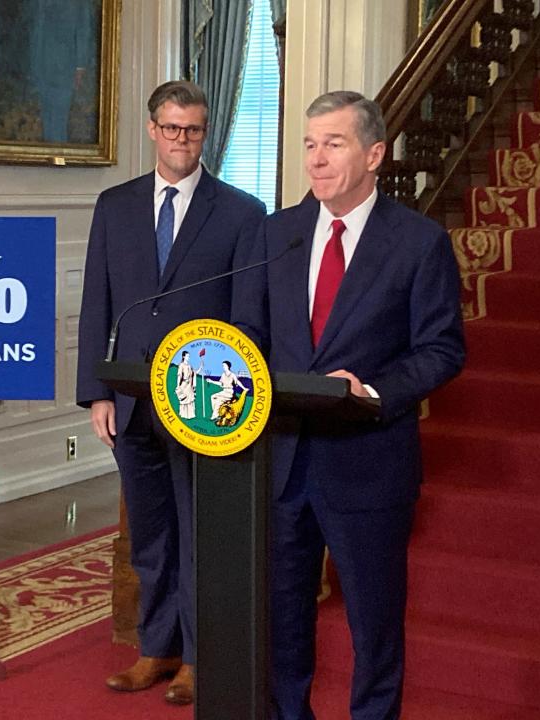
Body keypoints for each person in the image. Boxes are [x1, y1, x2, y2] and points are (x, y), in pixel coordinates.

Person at [232, 91, 465, 719]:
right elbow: (248, 333)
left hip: (368, 462)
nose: (316, 159)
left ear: (375, 154)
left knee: (374, 622)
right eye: (309, 144)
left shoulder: (419, 243)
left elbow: (442, 349)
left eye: (333, 144)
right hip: (280, 460)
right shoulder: (274, 234)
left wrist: (374, 390)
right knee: (282, 618)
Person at [76, 80, 266, 706]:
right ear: (153, 129)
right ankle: (154, 648)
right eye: (172, 128)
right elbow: (96, 305)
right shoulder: (115, 205)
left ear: (204, 133)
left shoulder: (241, 212)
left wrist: (234, 402)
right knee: (150, 536)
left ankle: (197, 657)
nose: (183, 140)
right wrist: (96, 392)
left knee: (196, 536)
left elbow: (247, 322)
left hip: (204, 404)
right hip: (128, 403)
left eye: (194, 130)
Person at [175, 350, 197, 419]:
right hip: (184, 384)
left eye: (189, 356)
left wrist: (201, 367)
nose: (188, 357)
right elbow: (179, 375)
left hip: (189, 385)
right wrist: (178, 385)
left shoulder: (190, 366)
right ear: (183, 356)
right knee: (184, 399)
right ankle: (183, 415)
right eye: (187, 356)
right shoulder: (181, 365)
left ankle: (190, 415)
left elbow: (194, 373)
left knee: (190, 399)